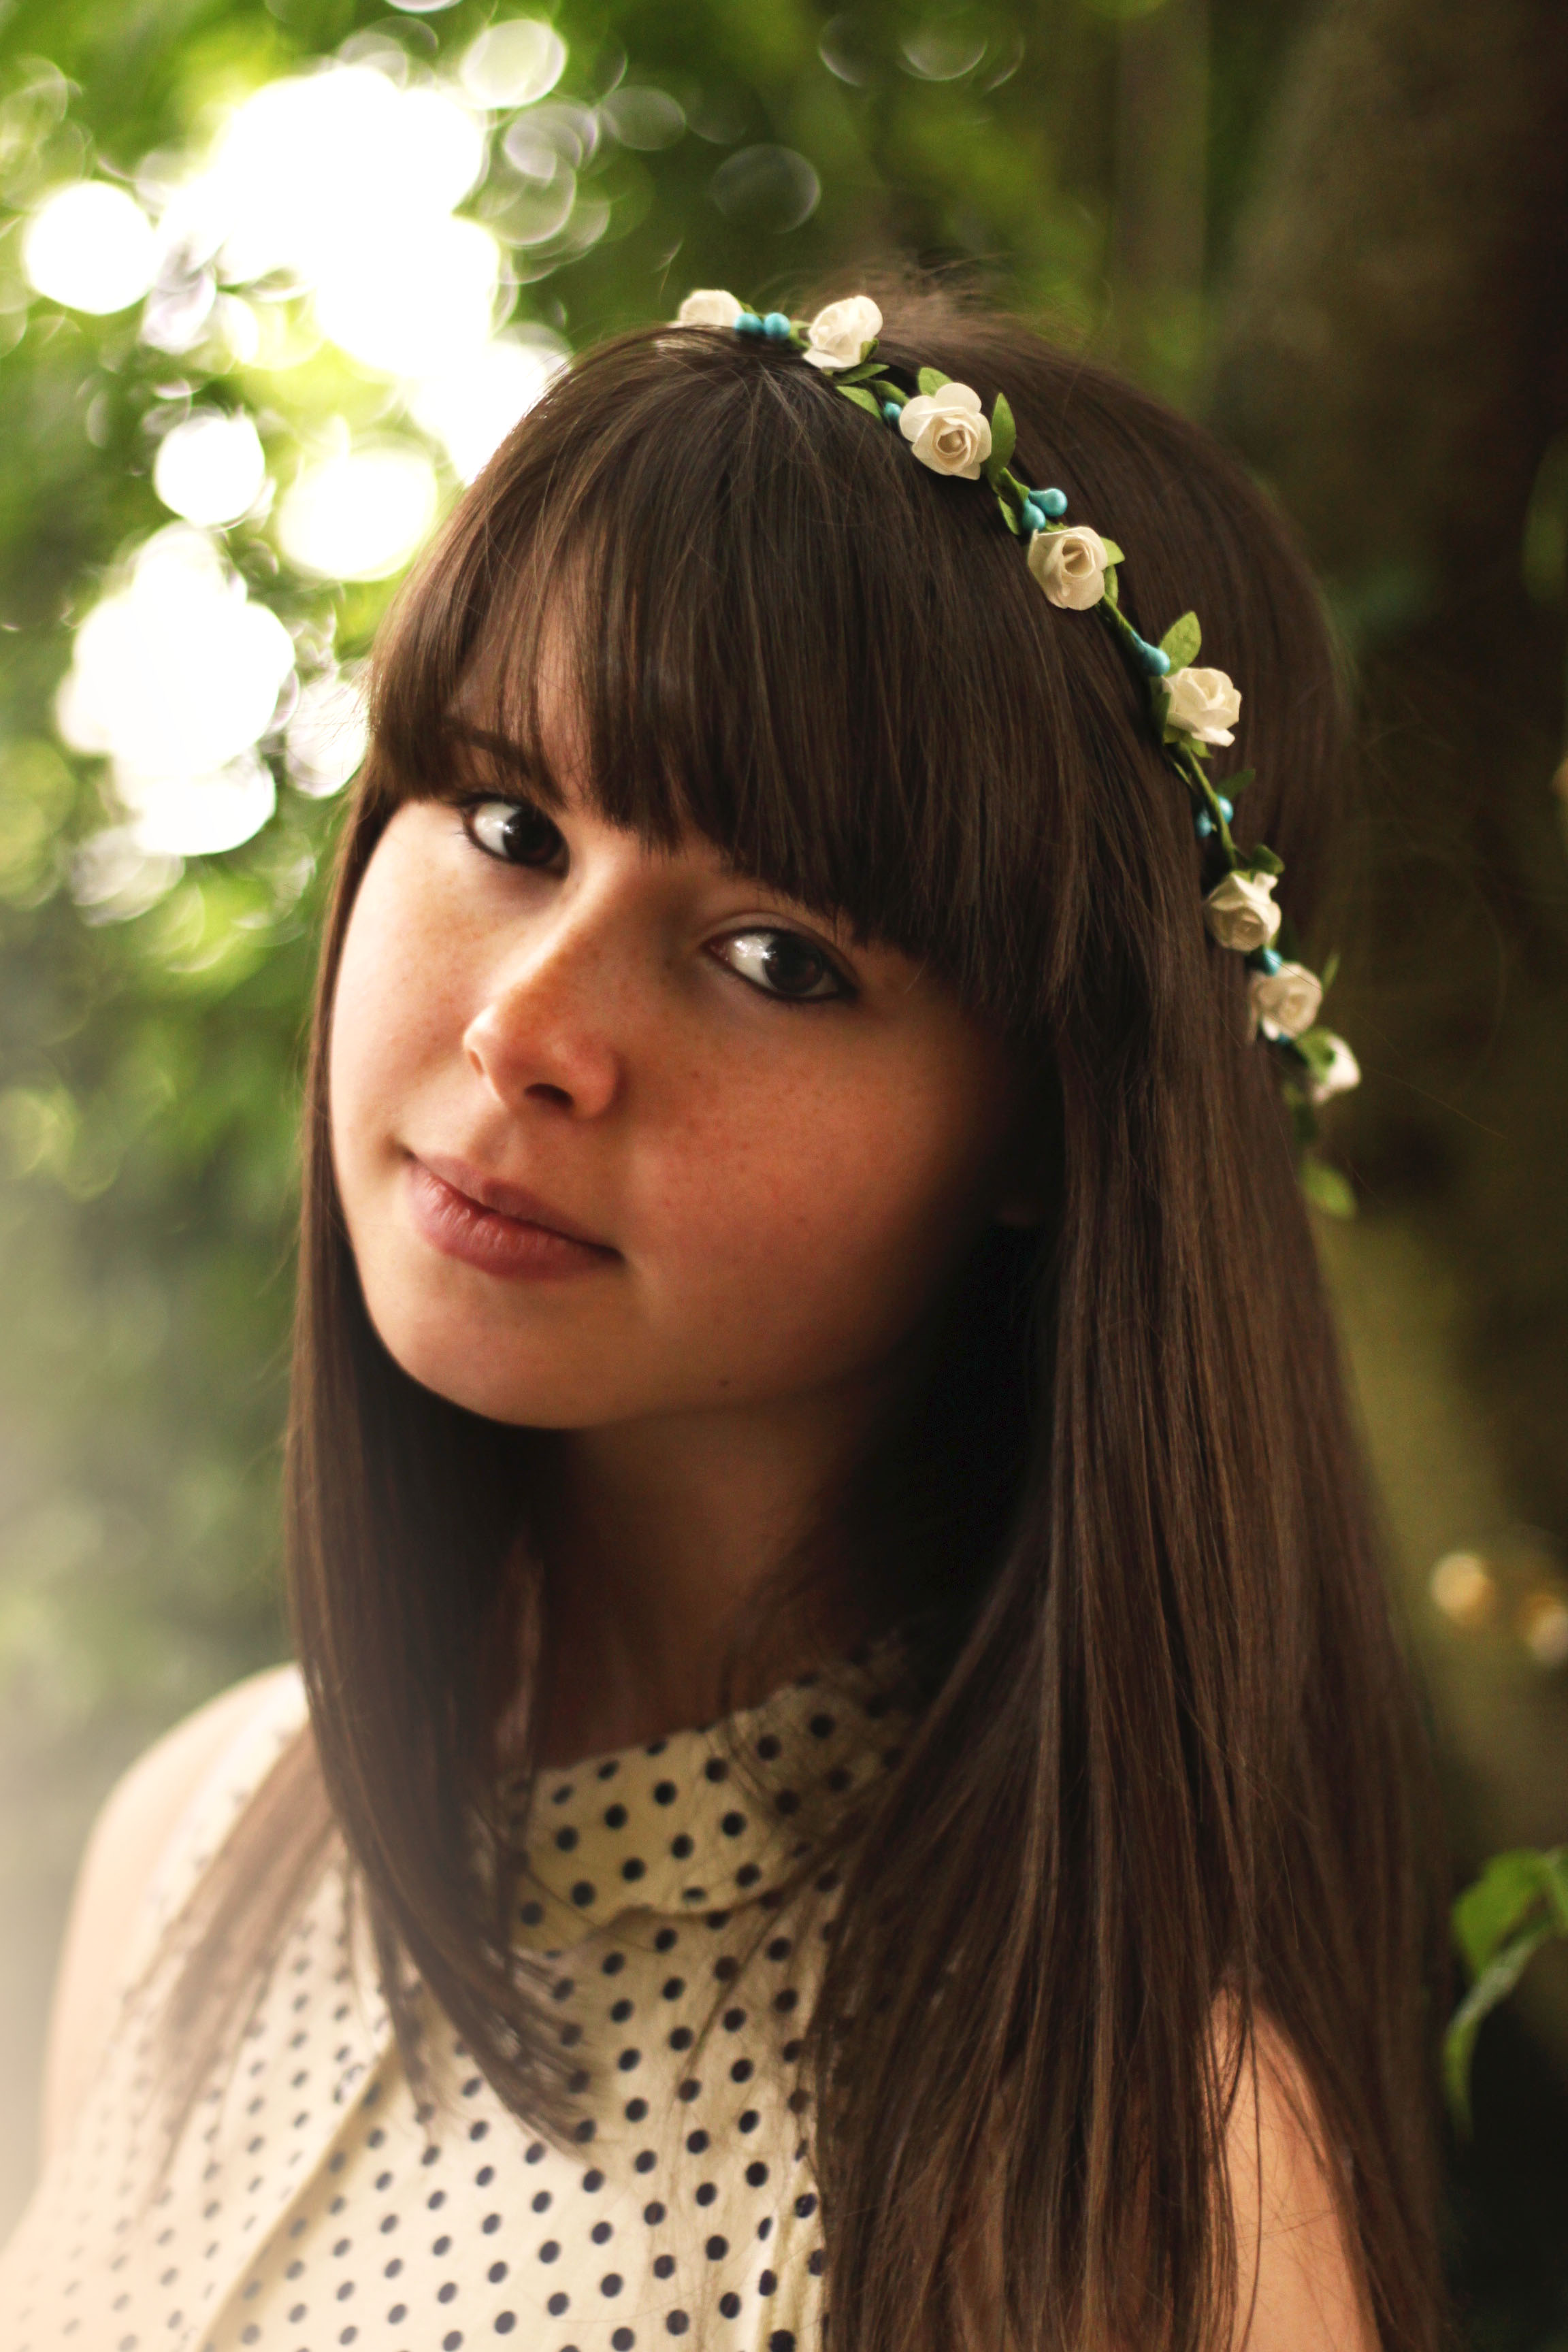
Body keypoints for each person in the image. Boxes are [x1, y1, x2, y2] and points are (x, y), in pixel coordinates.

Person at [2, 284, 1443, 2352]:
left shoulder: (1124, 2185)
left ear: (1057, 1126)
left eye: (774, 957)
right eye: (507, 827)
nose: (529, 1029)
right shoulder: (205, 1838)